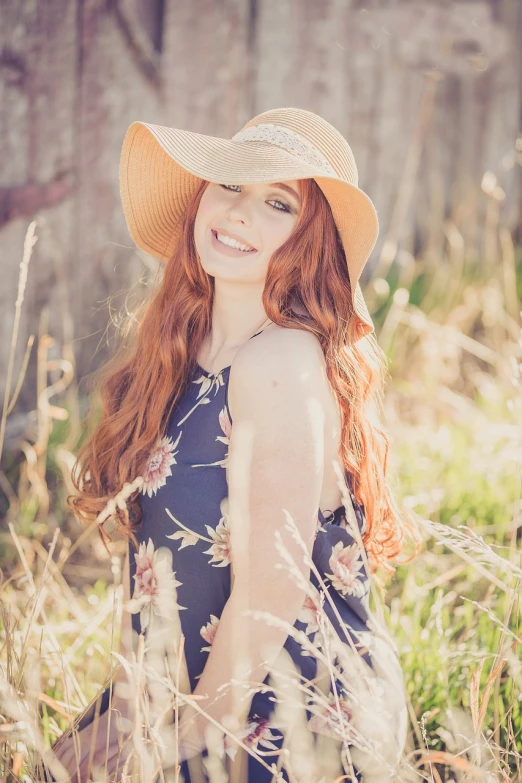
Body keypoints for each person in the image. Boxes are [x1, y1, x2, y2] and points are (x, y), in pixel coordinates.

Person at [49, 107, 420, 783]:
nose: (241, 213)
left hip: (287, 695)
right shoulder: (183, 356)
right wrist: (130, 702)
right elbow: (155, 571)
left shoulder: (278, 360)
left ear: (309, 243)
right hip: (191, 683)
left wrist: (174, 746)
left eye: (277, 203)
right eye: (231, 187)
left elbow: (272, 587)